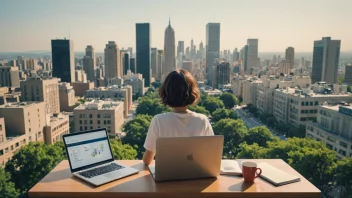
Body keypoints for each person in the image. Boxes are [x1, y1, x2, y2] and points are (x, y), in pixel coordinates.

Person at [142, 69, 214, 165]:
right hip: (196, 174)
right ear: (192, 92)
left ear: (166, 92)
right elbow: (212, 155)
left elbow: (147, 160)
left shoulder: (159, 120)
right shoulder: (202, 120)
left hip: (167, 177)